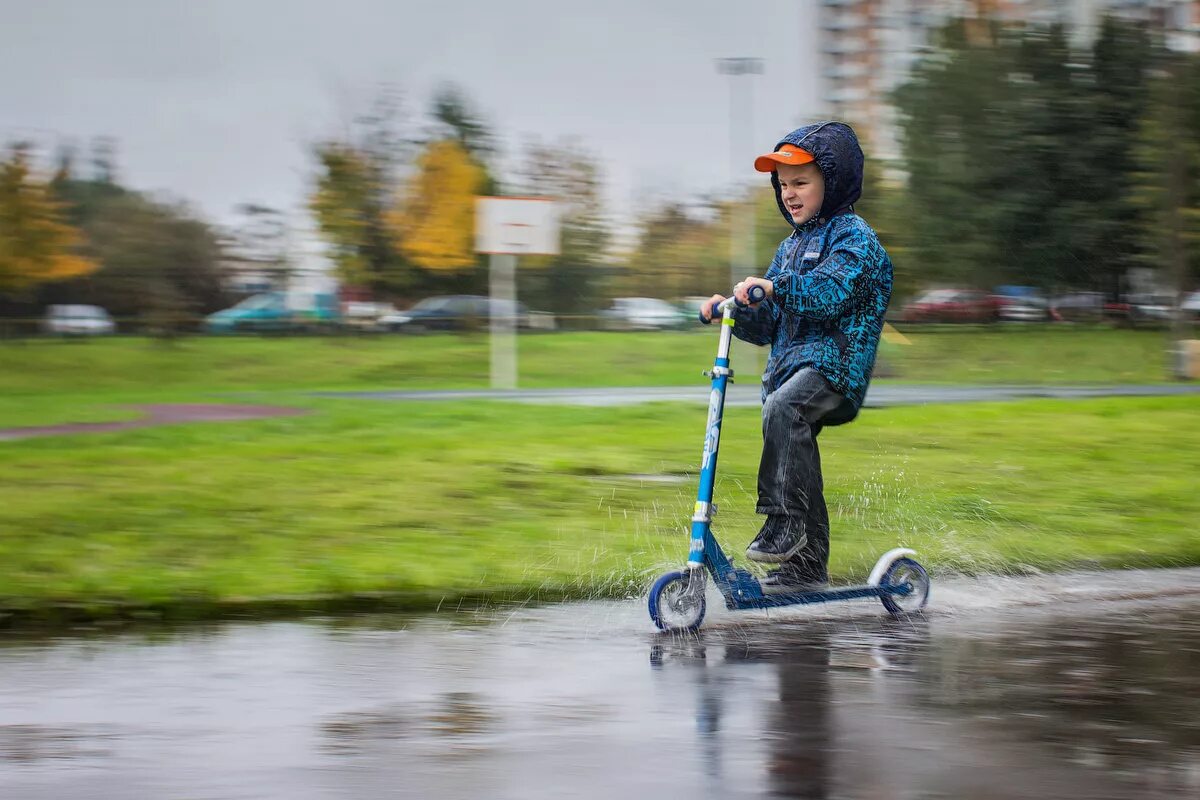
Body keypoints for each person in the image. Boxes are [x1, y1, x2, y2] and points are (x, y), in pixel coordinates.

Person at [700, 121, 892, 592]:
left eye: (801, 182)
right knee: (796, 445)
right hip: (791, 369)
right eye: (783, 185)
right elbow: (770, 323)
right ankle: (807, 566)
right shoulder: (789, 248)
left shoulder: (854, 239)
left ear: (833, 180)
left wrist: (775, 286)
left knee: (784, 411)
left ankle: (785, 523)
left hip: (835, 367)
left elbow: (828, 293)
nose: (790, 193)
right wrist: (735, 310)